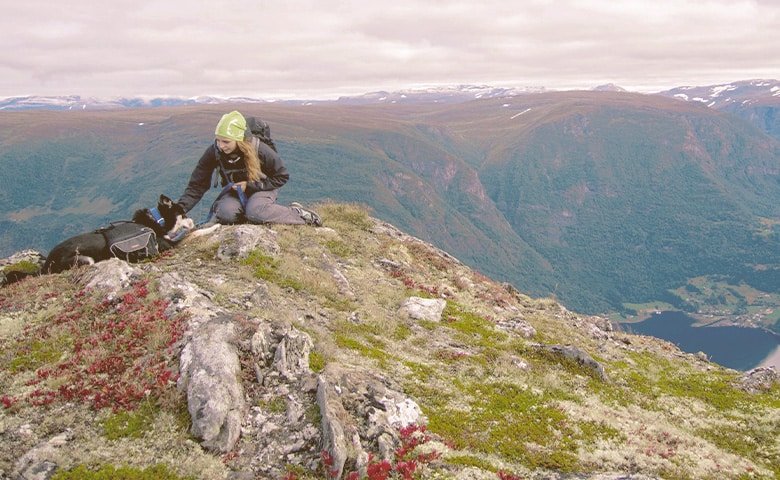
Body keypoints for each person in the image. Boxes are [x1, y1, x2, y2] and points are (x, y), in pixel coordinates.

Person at [177, 110, 321, 226]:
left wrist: (250, 185)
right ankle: (247, 216)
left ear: (239, 140)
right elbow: (197, 185)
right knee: (226, 214)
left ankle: (300, 214)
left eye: (226, 141)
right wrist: (179, 210)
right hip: (235, 191)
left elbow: (282, 176)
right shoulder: (214, 151)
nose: (221, 145)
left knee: (256, 211)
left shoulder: (261, 150)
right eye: (218, 140)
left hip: (263, 187)